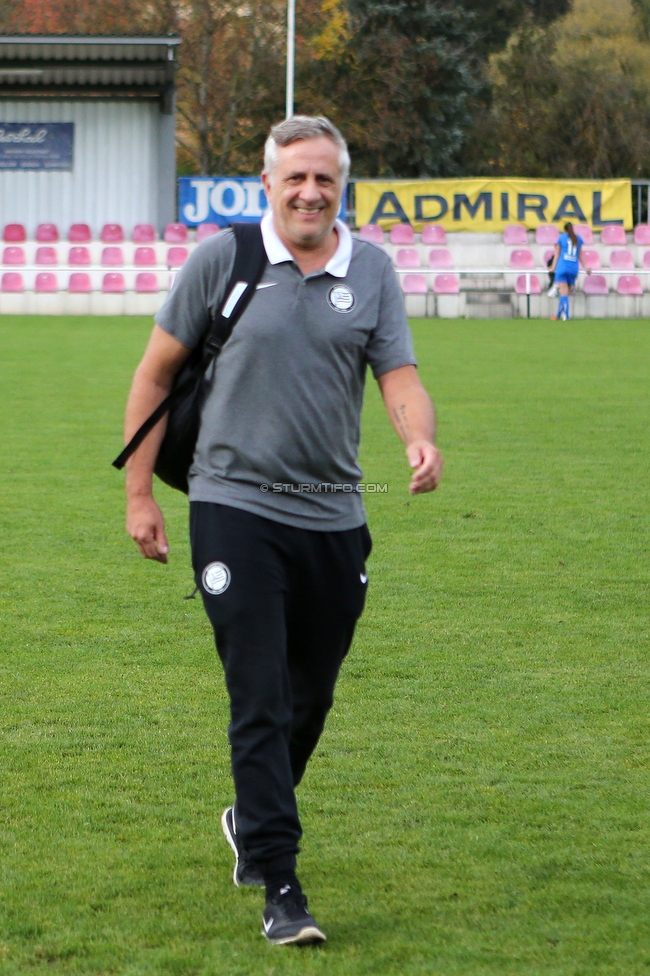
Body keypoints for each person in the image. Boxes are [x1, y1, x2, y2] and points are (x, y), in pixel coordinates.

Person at [121, 115, 443, 947]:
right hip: (233, 506)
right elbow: (156, 375)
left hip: (334, 513)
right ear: (266, 182)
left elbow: (398, 374)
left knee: (311, 696)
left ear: (343, 186)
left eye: (324, 179)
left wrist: (417, 433)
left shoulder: (369, 270)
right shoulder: (222, 260)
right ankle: (282, 883)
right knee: (259, 693)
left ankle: (249, 815)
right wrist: (140, 497)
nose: (309, 192)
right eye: (294, 177)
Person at [549, 221, 591, 319]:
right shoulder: (578, 239)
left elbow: (557, 254)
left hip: (562, 267)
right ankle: (558, 315)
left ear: (564, 230)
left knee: (563, 292)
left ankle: (566, 315)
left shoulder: (561, 238)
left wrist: (553, 267)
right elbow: (580, 254)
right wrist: (585, 267)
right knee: (565, 291)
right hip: (573, 268)